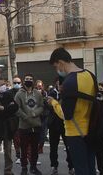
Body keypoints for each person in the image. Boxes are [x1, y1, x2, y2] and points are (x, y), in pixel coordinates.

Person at [47, 47, 97, 175]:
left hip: (75, 132)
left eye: (56, 66)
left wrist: (53, 103)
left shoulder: (69, 82)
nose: (57, 70)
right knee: (90, 166)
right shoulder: (90, 75)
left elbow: (66, 114)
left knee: (80, 168)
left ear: (61, 63)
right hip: (92, 128)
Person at [0, 77, 19, 175]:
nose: (4, 86)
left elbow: (15, 107)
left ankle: (8, 170)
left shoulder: (9, 95)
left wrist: (4, 109)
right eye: (1, 85)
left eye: (4, 84)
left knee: (8, 151)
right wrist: (7, 109)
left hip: (7, 127)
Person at [15, 74, 43, 175]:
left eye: (31, 79)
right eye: (27, 79)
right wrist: (25, 117)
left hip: (36, 125)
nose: (29, 81)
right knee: (24, 148)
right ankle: (24, 168)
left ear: (33, 81)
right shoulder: (19, 94)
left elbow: (41, 106)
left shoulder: (38, 94)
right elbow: (16, 108)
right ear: (23, 81)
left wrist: (35, 113)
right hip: (24, 125)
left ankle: (33, 167)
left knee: (35, 148)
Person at [47, 77, 74, 175]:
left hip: (65, 124)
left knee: (69, 147)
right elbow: (48, 106)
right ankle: (54, 166)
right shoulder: (51, 93)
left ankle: (71, 166)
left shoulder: (67, 94)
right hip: (53, 124)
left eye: (62, 84)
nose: (60, 86)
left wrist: (56, 103)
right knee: (53, 147)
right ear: (56, 84)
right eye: (59, 84)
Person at [10, 76, 22, 164]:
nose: (16, 84)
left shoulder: (24, 92)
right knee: (16, 139)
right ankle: (18, 155)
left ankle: (27, 156)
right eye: (15, 83)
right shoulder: (9, 93)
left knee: (25, 138)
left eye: (18, 83)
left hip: (23, 118)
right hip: (13, 119)